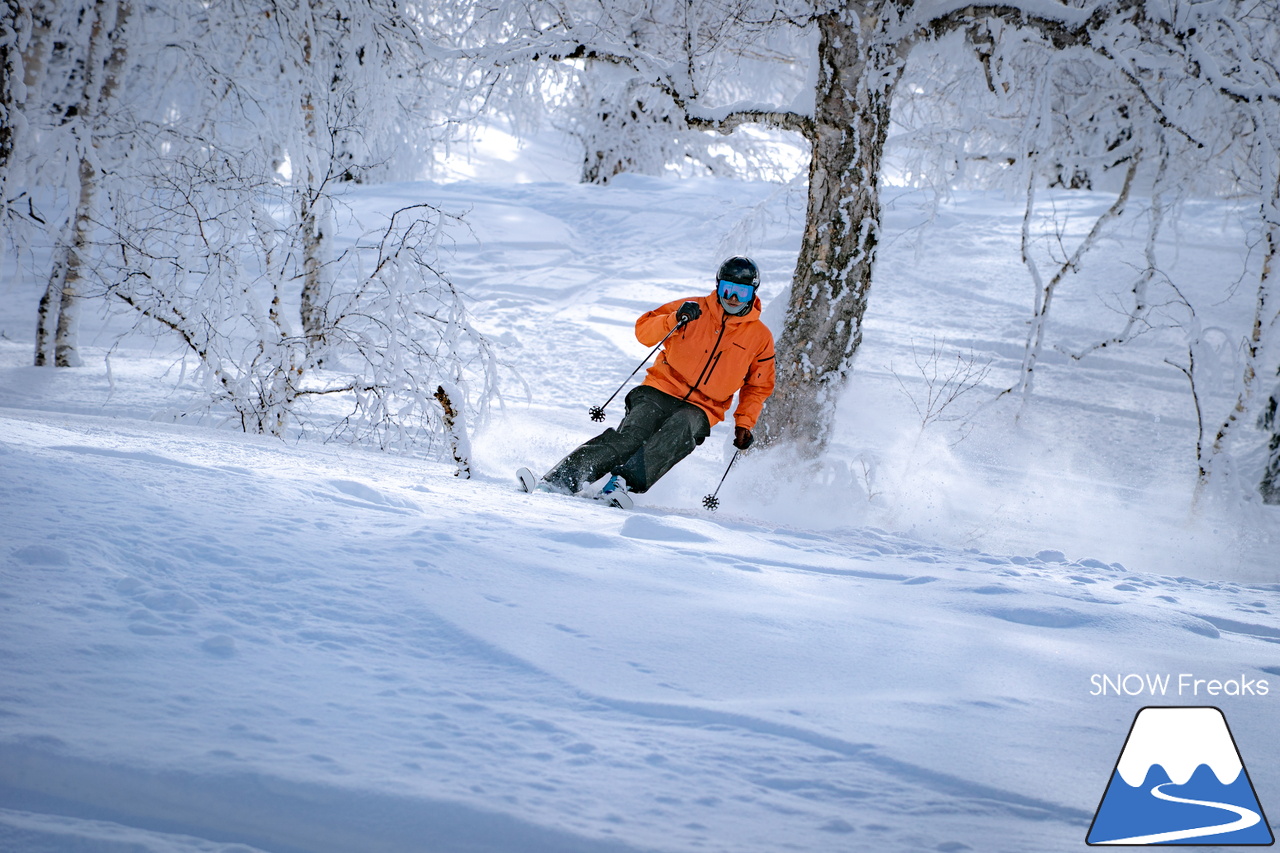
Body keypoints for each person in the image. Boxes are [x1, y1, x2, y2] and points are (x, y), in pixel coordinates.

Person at [534, 256, 776, 505]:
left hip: (704, 406)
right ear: (718, 286)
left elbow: (758, 386)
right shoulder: (692, 308)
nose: (733, 298)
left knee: (681, 429)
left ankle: (621, 483)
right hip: (659, 388)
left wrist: (744, 423)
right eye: (728, 289)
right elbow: (643, 331)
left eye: (742, 292)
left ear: (753, 293)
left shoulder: (760, 337)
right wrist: (674, 318)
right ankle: (561, 478)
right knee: (632, 436)